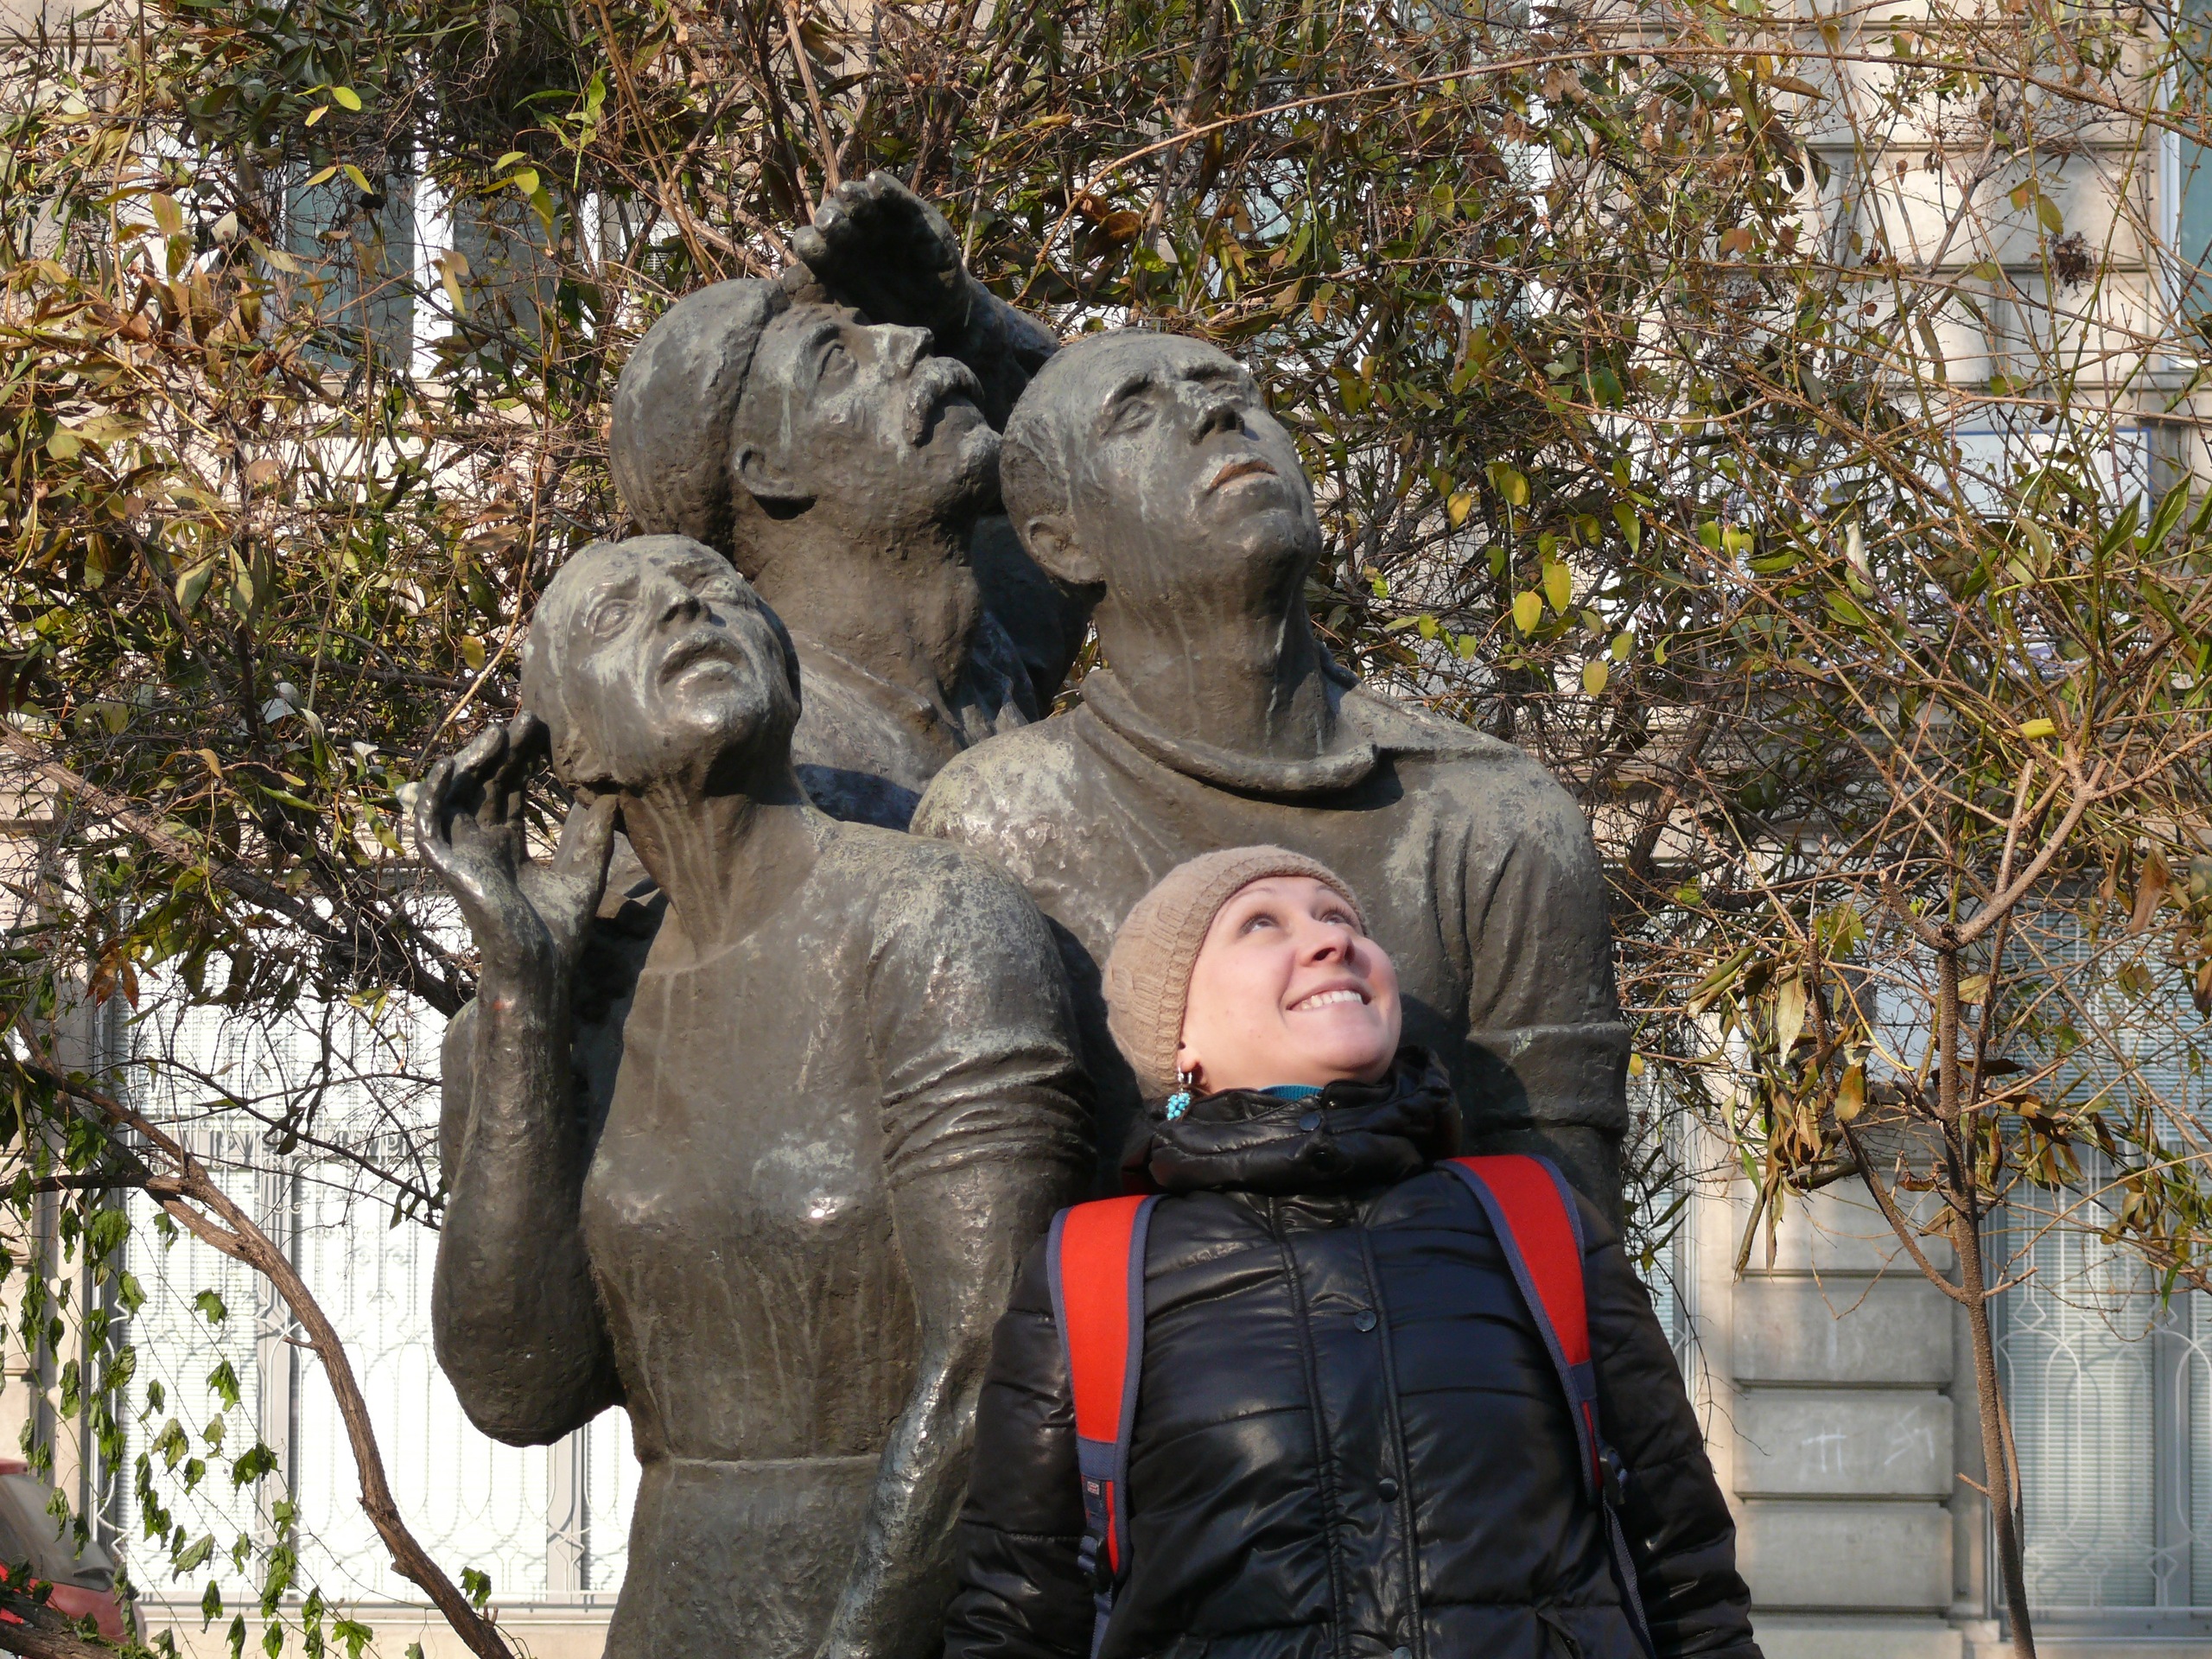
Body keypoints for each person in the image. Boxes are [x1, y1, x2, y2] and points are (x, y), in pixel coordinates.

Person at [417, 535, 1092, 1659]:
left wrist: (859, 1647)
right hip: (675, 1615)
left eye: (715, 589)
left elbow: (994, 1353)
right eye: (616, 615)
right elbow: (520, 1391)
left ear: (783, 664)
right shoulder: (552, 1010)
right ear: (569, 746)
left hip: (916, 1615)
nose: (685, 608)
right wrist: (523, 1002)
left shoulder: (933, 923)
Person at [944, 848, 1760, 1659]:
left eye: (1339, 918)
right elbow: (1015, 1615)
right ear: (1178, 1038)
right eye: (1260, 924)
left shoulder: (1538, 1221)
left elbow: (1685, 1577)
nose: (1332, 940)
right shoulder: (1091, 1271)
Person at [913, 329, 1630, 1217]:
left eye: (1232, 388)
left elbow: (1566, 1235)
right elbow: (999, 1245)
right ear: (1062, 544)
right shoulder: (999, 823)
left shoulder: (1499, 815)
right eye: (1134, 412)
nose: (1215, 411)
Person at [609, 174, 1089, 829]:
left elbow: (1090, 459)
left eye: (877, 325)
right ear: (769, 470)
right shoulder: (748, 773)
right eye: (837, 361)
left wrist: (966, 320)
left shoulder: (992, 656)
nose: (909, 338)